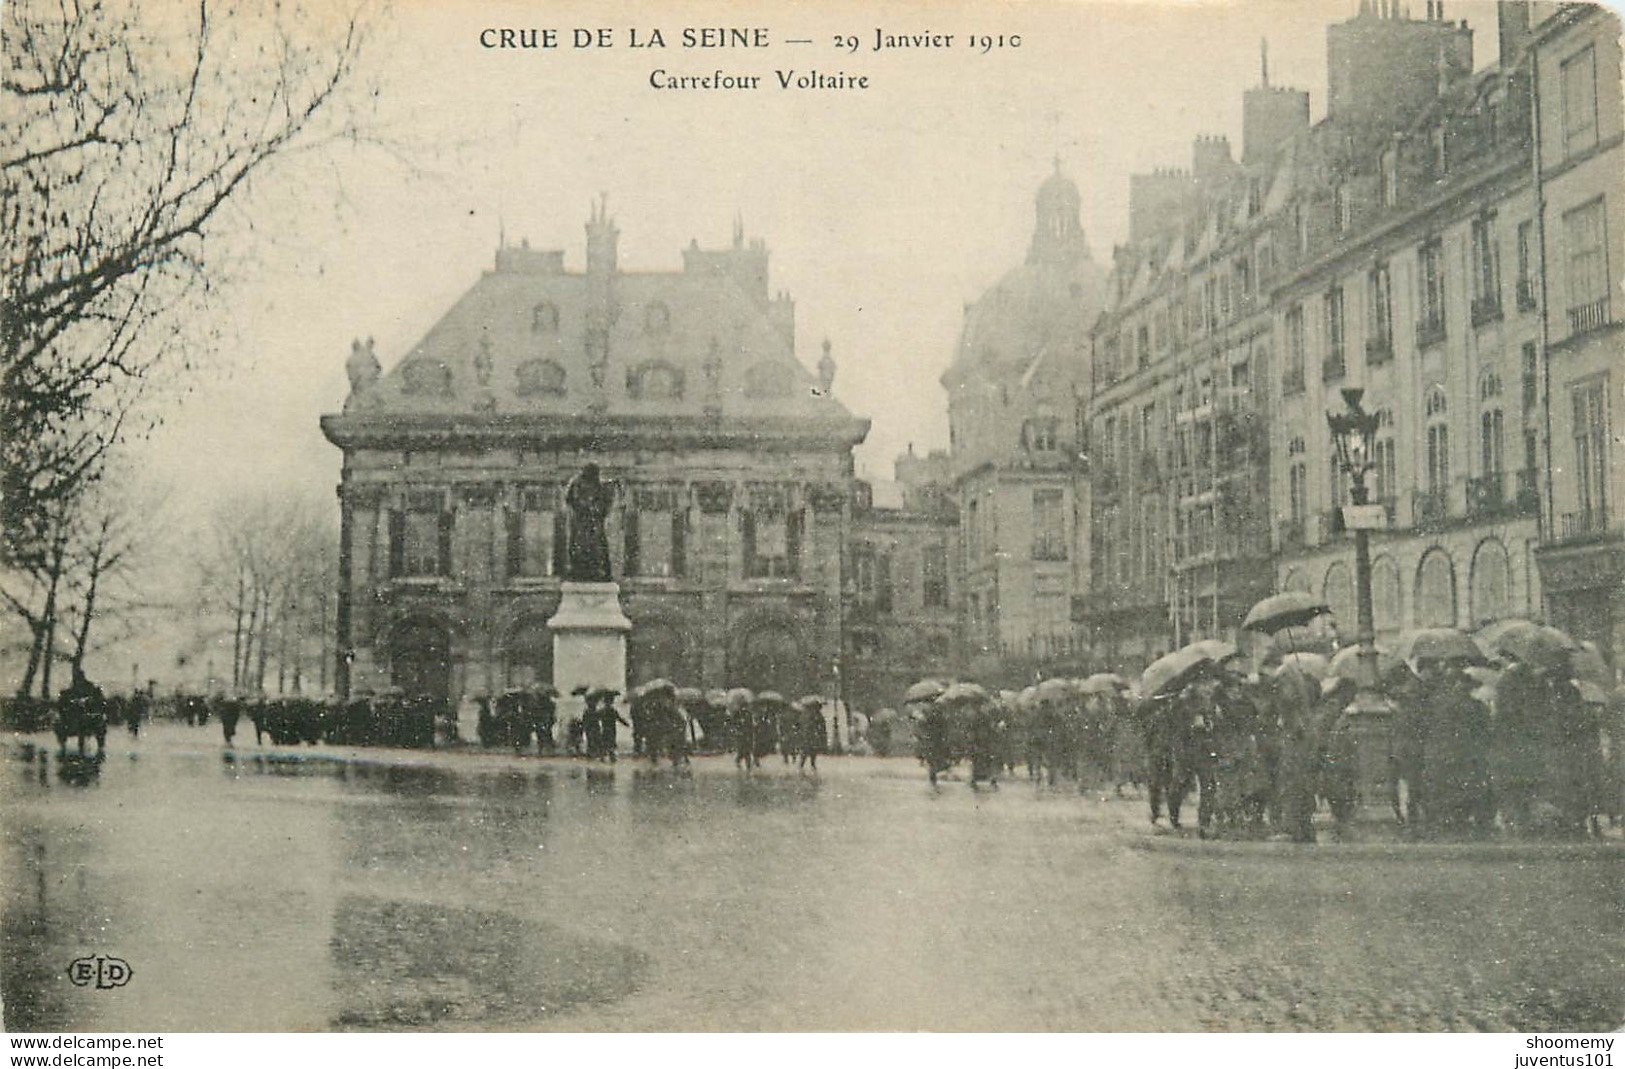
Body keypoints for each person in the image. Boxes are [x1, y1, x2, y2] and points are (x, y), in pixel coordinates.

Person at [564, 464, 615, 582]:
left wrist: (597, 509)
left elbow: (605, 503)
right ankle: (579, 570)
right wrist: (584, 507)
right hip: (582, 521)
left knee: (598, 544)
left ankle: (600, 570)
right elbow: (571, 499)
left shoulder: (600, 485)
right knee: (579, 544)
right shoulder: (576, 483)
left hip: (594, 521)